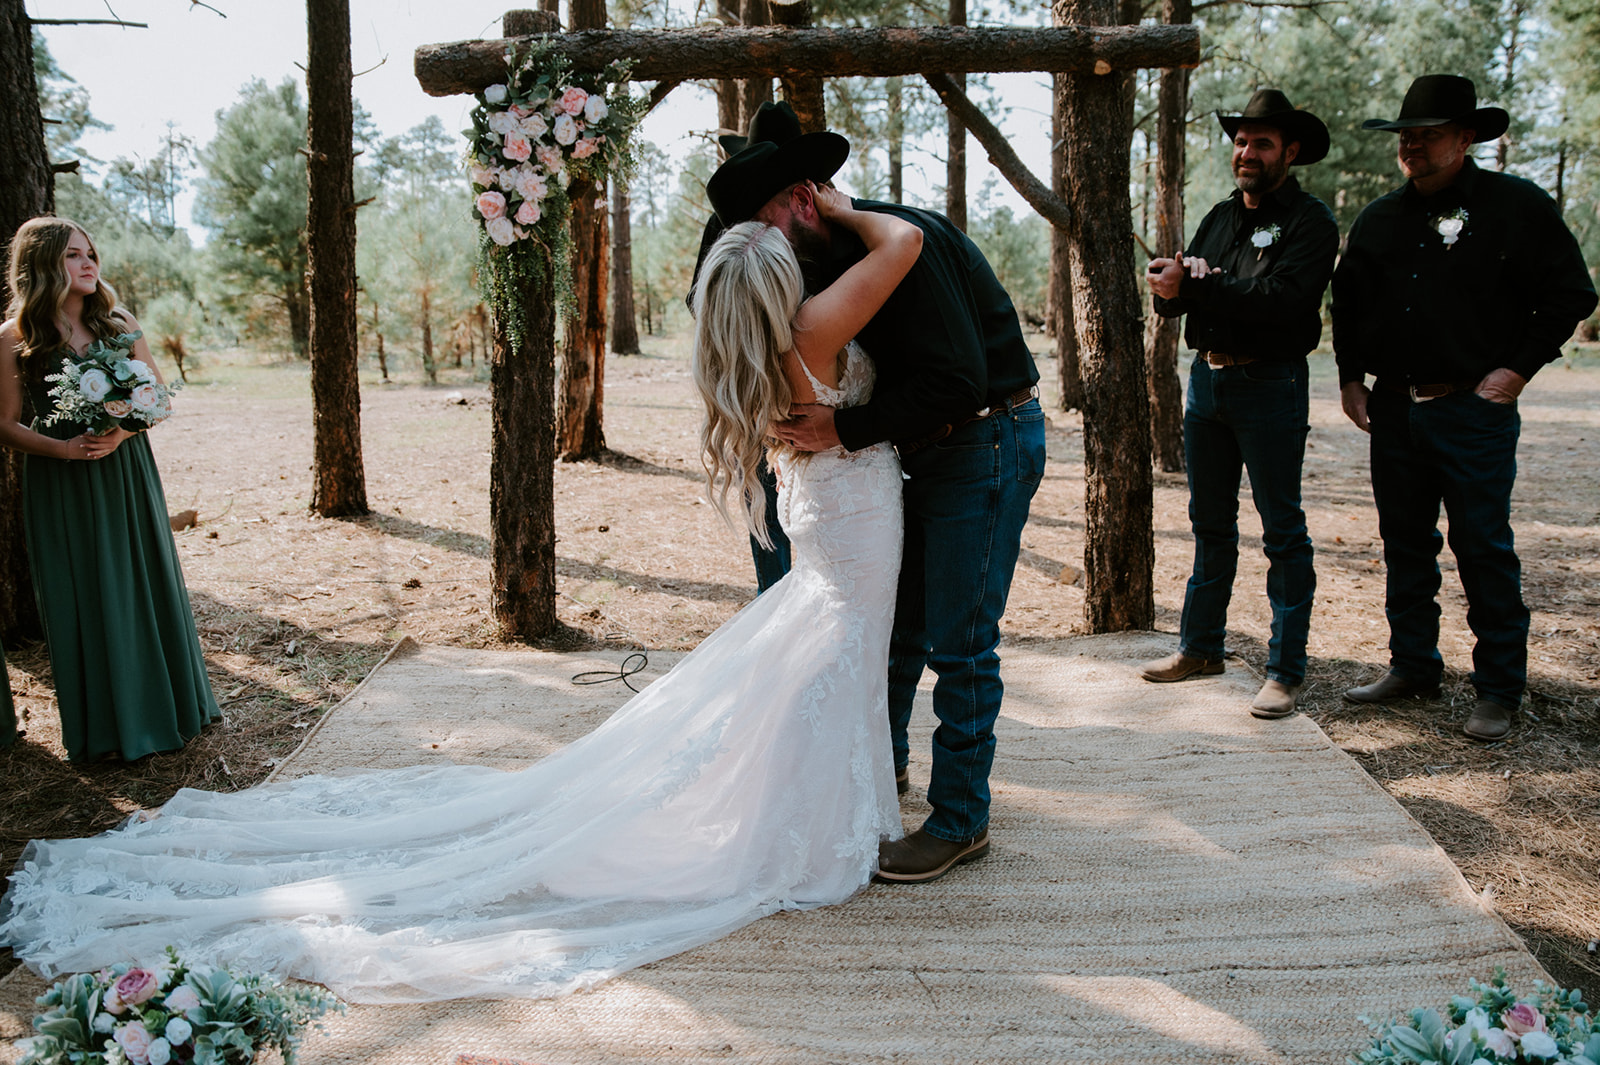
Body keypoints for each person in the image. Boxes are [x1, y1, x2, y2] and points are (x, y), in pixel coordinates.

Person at [1, 157, 927, 1004]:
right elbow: (906, 240)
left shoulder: (752, 346)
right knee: (832, 659)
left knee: (813, 663)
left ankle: (817, 808)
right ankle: (812, 829)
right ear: (779, 288)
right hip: (853, 528)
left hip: (830, 527)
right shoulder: (815, 325)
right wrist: (845, 212)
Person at [707, 127, 1046, 883]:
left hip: (983, 440)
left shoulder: (901, 241)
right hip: (914, 453)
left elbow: (959, 384)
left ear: (801, 201)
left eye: (763, 222)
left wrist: (843, 426)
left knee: (961, 642)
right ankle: (874, 777)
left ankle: (961, 820)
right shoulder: (821, 271)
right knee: (901, 634)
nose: (760, 242)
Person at [1331, 75, 1597, 741]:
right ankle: (1413, 666)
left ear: (1466, 137)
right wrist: (1350, 378)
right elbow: (1348, 304)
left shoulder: (1516, 207)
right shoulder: (1380, 219)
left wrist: (1516, 369)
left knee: (1481, 545)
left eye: (1428, 133)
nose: (1412, 145)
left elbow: (1572, 293)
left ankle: (1499, 688)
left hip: (1472, 411)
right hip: (1393, 408)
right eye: (1405, 135)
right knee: (1405, 544)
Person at [1137, 89, 1338, 720]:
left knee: (1282, 530)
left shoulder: (1311, 222)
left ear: (1291, 152)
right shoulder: (1220, 217)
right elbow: (1181, 301)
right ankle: (1201, 648)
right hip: (1208, 385)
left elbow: (1283, 299)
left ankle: (1285, 670)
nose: (1246, 153)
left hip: (1270, 386)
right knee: (1209, 525)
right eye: (1241, 142)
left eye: (1262, 143)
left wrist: (1203, 286)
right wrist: (1168, 285)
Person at [0, 217, 219, 762]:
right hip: (60, 481)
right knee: (86, 592)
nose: (89, 263)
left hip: (126, 471)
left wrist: (121, 431)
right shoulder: (14, 337)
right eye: (73, 255)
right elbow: (5, 423)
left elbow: (159, 398)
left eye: (91, 253)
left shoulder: (118, 322)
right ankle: (108, 731)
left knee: (143, 579)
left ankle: (171, 710)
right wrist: (65, 449)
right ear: (43, 265)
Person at [687, 102, 808, 592]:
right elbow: (702, 300)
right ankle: (773, 595)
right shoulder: (725, 226)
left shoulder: (812, 212)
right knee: (762, 493)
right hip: (754, 377)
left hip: (806, 378)